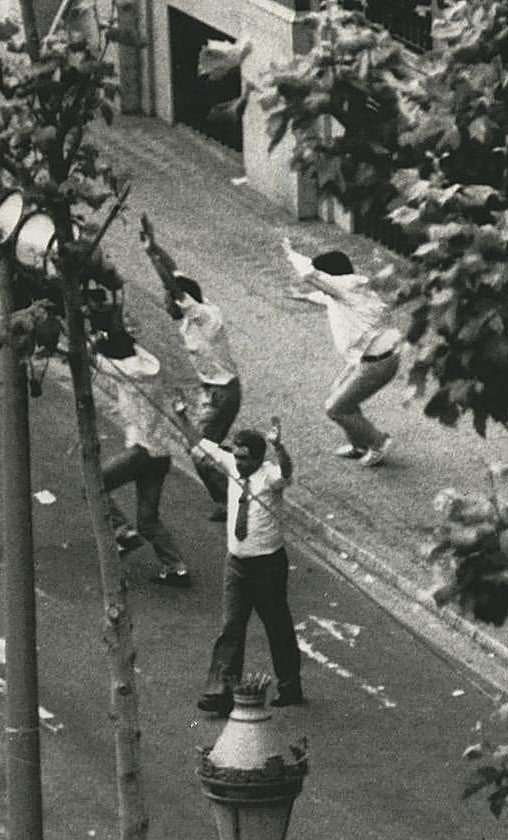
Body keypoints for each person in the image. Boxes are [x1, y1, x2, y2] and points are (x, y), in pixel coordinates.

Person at [174, 405, 302, 716]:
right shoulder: (232, 464)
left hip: (268, 565)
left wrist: (280, 446)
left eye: (246, 458)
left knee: (276, 625)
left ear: (259, 458)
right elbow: (202, 446)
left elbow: (286, 472)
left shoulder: (269, 476)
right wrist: (182, 418)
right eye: (238, 456)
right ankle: (221, 692)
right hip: (237, 564)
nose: (240, 462)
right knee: (231, 628)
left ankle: (289, 685)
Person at [140, 214, 240, 521]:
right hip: (212, 391)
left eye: (169, 301)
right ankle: (235, 472)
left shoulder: (204, 317)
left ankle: (228, 501)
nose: (166, 305)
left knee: (199, 451)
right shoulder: (196, 310)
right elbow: (175, 273)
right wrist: (155, 248)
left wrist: (148, 257)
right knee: (203, 445)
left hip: (223, 393)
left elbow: (174, 286)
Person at [282, 238, 400, 467]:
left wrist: (291, 253)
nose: (321, 285)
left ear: (332, 277)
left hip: (376, 363)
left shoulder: (346, 288)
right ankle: (359, 445)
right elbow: (325, 298)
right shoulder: (346, 291)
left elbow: (310, 274)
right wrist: (303, 296)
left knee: (336, 408)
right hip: (369, 359)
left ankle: (378, 442)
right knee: (340, 395)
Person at [92, 327, 192, 587]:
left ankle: (122, 531)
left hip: (142, 450)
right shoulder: (147, 363)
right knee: (148, 519)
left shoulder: (128, 371)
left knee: (93, 485)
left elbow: (92, 359)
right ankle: (175, 567)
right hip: (160, 454)